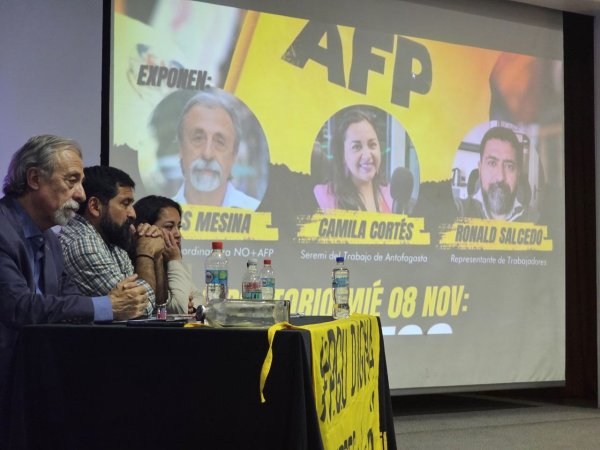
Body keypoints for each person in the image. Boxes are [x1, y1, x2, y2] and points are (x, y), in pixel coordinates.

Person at [0, 136, 148, 413]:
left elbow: (69, 302)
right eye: (72, 181)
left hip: (35, 383)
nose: (80, 194)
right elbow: (18, 307)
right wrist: (108, 305)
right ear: (34, 179)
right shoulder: (3, 230)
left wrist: (109, 304)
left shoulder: (52, 240)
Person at [59, 166, 164, 316]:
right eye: (125, 203)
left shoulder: (112, 241)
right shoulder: (83, 244)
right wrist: (145, 252)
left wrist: (157, 254)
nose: (133, 213)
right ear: (95, 207)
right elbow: (140, 308)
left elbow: (159, 307)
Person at [173, 88, 260, 210]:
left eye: (220, 142)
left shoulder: (256, 213)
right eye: (198, 138)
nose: (207, 154)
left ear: (234, 156)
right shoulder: (157, 219)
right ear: (181, 148)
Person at [313, 108, 393, 212]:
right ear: (343, 156)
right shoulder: (324, 197)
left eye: (372, 145)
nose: (367, 155)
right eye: (356, 147)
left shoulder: (391, 195)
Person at [133, 195, 198, 314]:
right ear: (147, 228)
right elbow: (180, 308)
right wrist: (175, 260)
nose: (178, 234)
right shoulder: (138, 262)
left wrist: (192, 307)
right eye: (169, 227)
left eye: (178, 227)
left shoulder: (169, 259)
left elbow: (200, 300)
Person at [461, 126, 528, 221]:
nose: (500, 177)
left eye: (509, 166)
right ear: (480, 169)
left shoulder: (534, 220)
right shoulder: (460, 211)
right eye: (492, 163)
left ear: (518, 173)